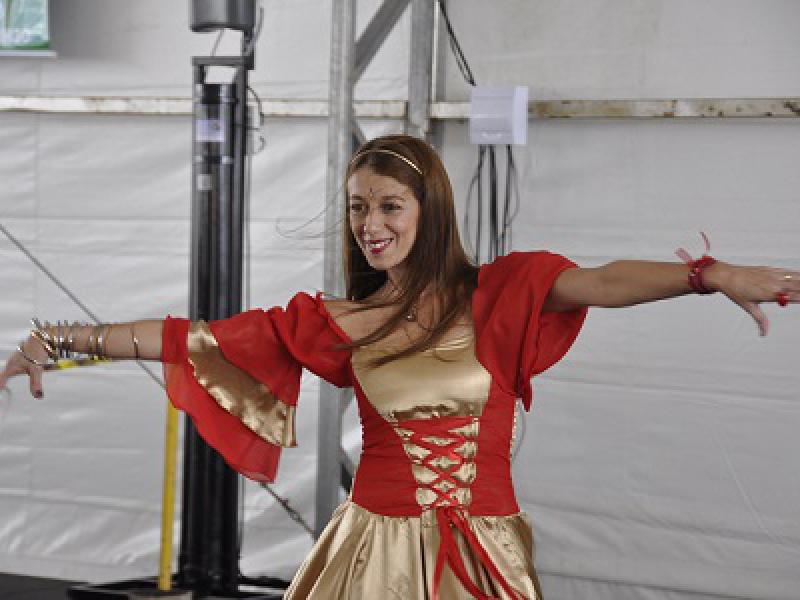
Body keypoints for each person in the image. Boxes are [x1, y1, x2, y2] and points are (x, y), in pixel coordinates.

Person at [1, 134, 797, 600]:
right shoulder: (337, 322)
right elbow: (193, 339)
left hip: (483, 550)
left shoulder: (500, 293)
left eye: (389, 205)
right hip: (370, 551)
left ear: (428, 210)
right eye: (358, 207)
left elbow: (605, 281)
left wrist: (710, 275)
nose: (370, 224)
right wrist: (63, 340)